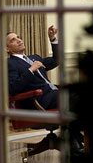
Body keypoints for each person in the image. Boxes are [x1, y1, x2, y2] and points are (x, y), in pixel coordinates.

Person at [6, 25, 84, 154]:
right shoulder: (10, 64)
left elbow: (56, 60)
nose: (19, 40)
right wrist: (31, 69)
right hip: (39, 101)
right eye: (13, 40)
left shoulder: (34, 58)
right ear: (7, 49)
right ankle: (75, 138)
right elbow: (13, 89)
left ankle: (75, 137)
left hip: (53, 94)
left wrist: (53, 39)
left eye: (18, 37)